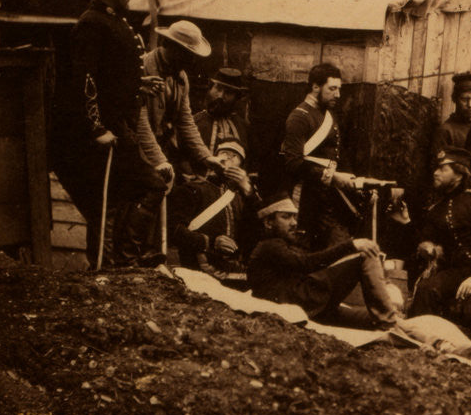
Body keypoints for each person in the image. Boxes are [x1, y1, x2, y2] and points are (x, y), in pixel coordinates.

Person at [49, 0, 171, 267]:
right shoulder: (92, 23)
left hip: (119, 125)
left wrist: (137, 83)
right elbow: (85, 80)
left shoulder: (114, 20)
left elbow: (109, 74)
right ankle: (116, 261)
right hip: (106, 130)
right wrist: (96, 129)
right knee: (122, 195)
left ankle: (120, 260)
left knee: (125, 193)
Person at [407, 147, 471, 353]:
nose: (435, 173)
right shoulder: (436, 210)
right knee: (426, 290)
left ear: (459, 173)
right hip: (455, 272)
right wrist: (422, 241)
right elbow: (424, 240)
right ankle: (424, 346)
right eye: (436, 168)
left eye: (442, 168)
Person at [246, 192, 400, 329]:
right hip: (304, 304)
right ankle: (389, 318)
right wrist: (351, 245)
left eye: (294, 216)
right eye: (286, 217)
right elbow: (306, 264)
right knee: (365, 255)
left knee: (372, 318)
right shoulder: (270, 246)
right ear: (268, 222)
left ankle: (392, 319)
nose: (293, 222)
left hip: (312, 308)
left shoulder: (276, 246)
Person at [279, 62, 359, 250]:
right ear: (315, 86)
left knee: (340, 250)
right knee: (301, 250)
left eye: (339, 89)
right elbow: (293, 163)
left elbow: (337, 156)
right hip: (305, 197)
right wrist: (332, 176)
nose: (338, 95)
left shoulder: (329, 115)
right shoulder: (299, 117)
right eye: (332, 89)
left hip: (328, 198)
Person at [139, 20, 224, 178]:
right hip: (138, 150)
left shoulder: (181, 77)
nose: (191, 61)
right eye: (186, 54)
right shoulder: (142, 69)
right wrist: (159, 161)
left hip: (162, 149)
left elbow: (185, 121)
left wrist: (206, 156)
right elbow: (140, 122)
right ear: (169, 45)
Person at [168, 138, 262, 274]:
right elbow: (174, 230)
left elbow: (259, 230)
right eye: (223, 153)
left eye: (234, 156)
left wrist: (248, 190)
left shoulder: (242, 198)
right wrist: (210, 242)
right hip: (197, 266)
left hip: (233, 268)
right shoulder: (192, 189)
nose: (226, 159)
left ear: (241, 167)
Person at [193, 67, 250, 164]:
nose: (220, 96)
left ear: (236, 97)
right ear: (210, 88)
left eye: (228, 92)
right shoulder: (194, 123)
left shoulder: (243, 127)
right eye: (218, 89)